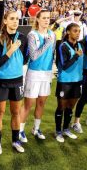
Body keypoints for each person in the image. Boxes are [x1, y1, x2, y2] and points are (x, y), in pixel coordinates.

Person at [0, 11, 29, 154]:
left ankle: (15, 140)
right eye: (12, 19)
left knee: (15, 112)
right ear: (5, 21)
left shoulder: (23, 38)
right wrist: (10, 51)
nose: (15, 21)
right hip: (1, 81)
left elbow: (25, 59)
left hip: (17, 80)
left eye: (17, 19)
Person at [19, 9, 56, 143]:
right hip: (34, 73)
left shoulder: (52, 34)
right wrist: (46, 43)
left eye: (48, 18)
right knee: (28, 104)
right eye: (44, 18)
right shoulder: (32, 35)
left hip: (46, 73)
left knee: (41, 103)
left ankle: (36, 128)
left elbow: (52, 54)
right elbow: (33, 56)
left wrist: (51, 69)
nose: (47, 20)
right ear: (38, 19)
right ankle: (20, 131)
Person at [55, 23, 84, 142]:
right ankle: (58, 131)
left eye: (79, 31)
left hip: (77, 81)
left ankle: (66, 129)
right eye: (75, 31)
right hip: (65, 82)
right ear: (68, 32)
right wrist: (76, 56)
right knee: (61, 107)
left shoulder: (80, 45)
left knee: (70, 108)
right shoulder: (63, 46)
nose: (78, 33)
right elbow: (64, 65)